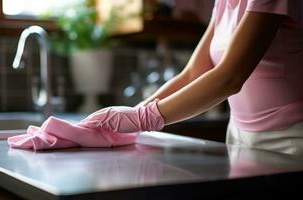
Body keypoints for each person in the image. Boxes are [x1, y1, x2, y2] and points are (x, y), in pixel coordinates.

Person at [80, 0, 303, 156]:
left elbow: (230, 77)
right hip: (238, 135)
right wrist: (135, 113)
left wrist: (142, 118)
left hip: (289, 137)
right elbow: (193, 72)